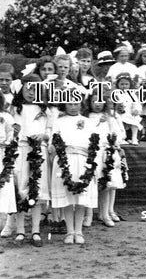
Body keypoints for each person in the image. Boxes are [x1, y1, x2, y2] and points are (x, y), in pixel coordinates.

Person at [3, 74, 51, 247]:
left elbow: (50, 132)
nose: (31, 93)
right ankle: (21, 230)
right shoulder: (14, 109)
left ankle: (36, 231)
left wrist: (44, 136)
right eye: (28, 88)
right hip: (20, 151)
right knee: (21, 188)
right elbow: (8, 130)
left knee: (36, 189)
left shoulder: (44, 110)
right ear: (21, 88)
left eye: (35, 90)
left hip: (39, 151)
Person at [50, 96, 98, 245]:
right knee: (68, 198)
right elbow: (54, 142)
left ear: (80, 104)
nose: (72, 106)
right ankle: (70, 231)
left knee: (81, 197)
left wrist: (92, 163)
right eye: (70, 103)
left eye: (76, 103)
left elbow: (95, 143)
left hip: (83, 161)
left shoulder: (88, 122)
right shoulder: (59, 122)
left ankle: (79, 231)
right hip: (66, 161)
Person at [86, 88, 127, 228]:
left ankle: (105, 213)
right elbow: (86, 134)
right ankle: (88, 215)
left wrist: (113, 142)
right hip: (91, 153)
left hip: (105, 153)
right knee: (90, 184)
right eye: (93, 101)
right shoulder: (86, 118)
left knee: (106, 185)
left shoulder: (109, 118)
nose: (97, 104)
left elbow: (118, 135)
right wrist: (97, 123)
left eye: (100, 101)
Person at [0, 93, 16, 232]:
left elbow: (13, 135)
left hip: (2, 159)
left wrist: (8, 141)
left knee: (2, 196)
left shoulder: (6, 117)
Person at [114, 72, 142, 145]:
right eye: (122, 84)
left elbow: (136, 104)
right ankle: (123, 138)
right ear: (118, 85)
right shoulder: (115, 93)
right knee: (118, 120)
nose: (124, 86)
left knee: (135, 120)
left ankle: (134, 137)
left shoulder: (132, 94)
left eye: (126, 84)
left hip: (129, 113)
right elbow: (112, 104)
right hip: (119, 113)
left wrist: (136, 110)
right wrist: (117, 108)